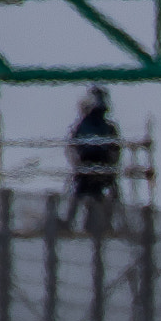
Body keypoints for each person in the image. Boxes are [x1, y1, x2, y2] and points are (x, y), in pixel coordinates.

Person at [65, 86, 120, 231]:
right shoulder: (103, 126)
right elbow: (115, 148)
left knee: (83, 192)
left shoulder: (87, 125)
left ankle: (72, 221)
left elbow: (73, 145)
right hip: (97, 163)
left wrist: (76, 163)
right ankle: (106, 223)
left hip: (91, 163)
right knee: (100, 192)